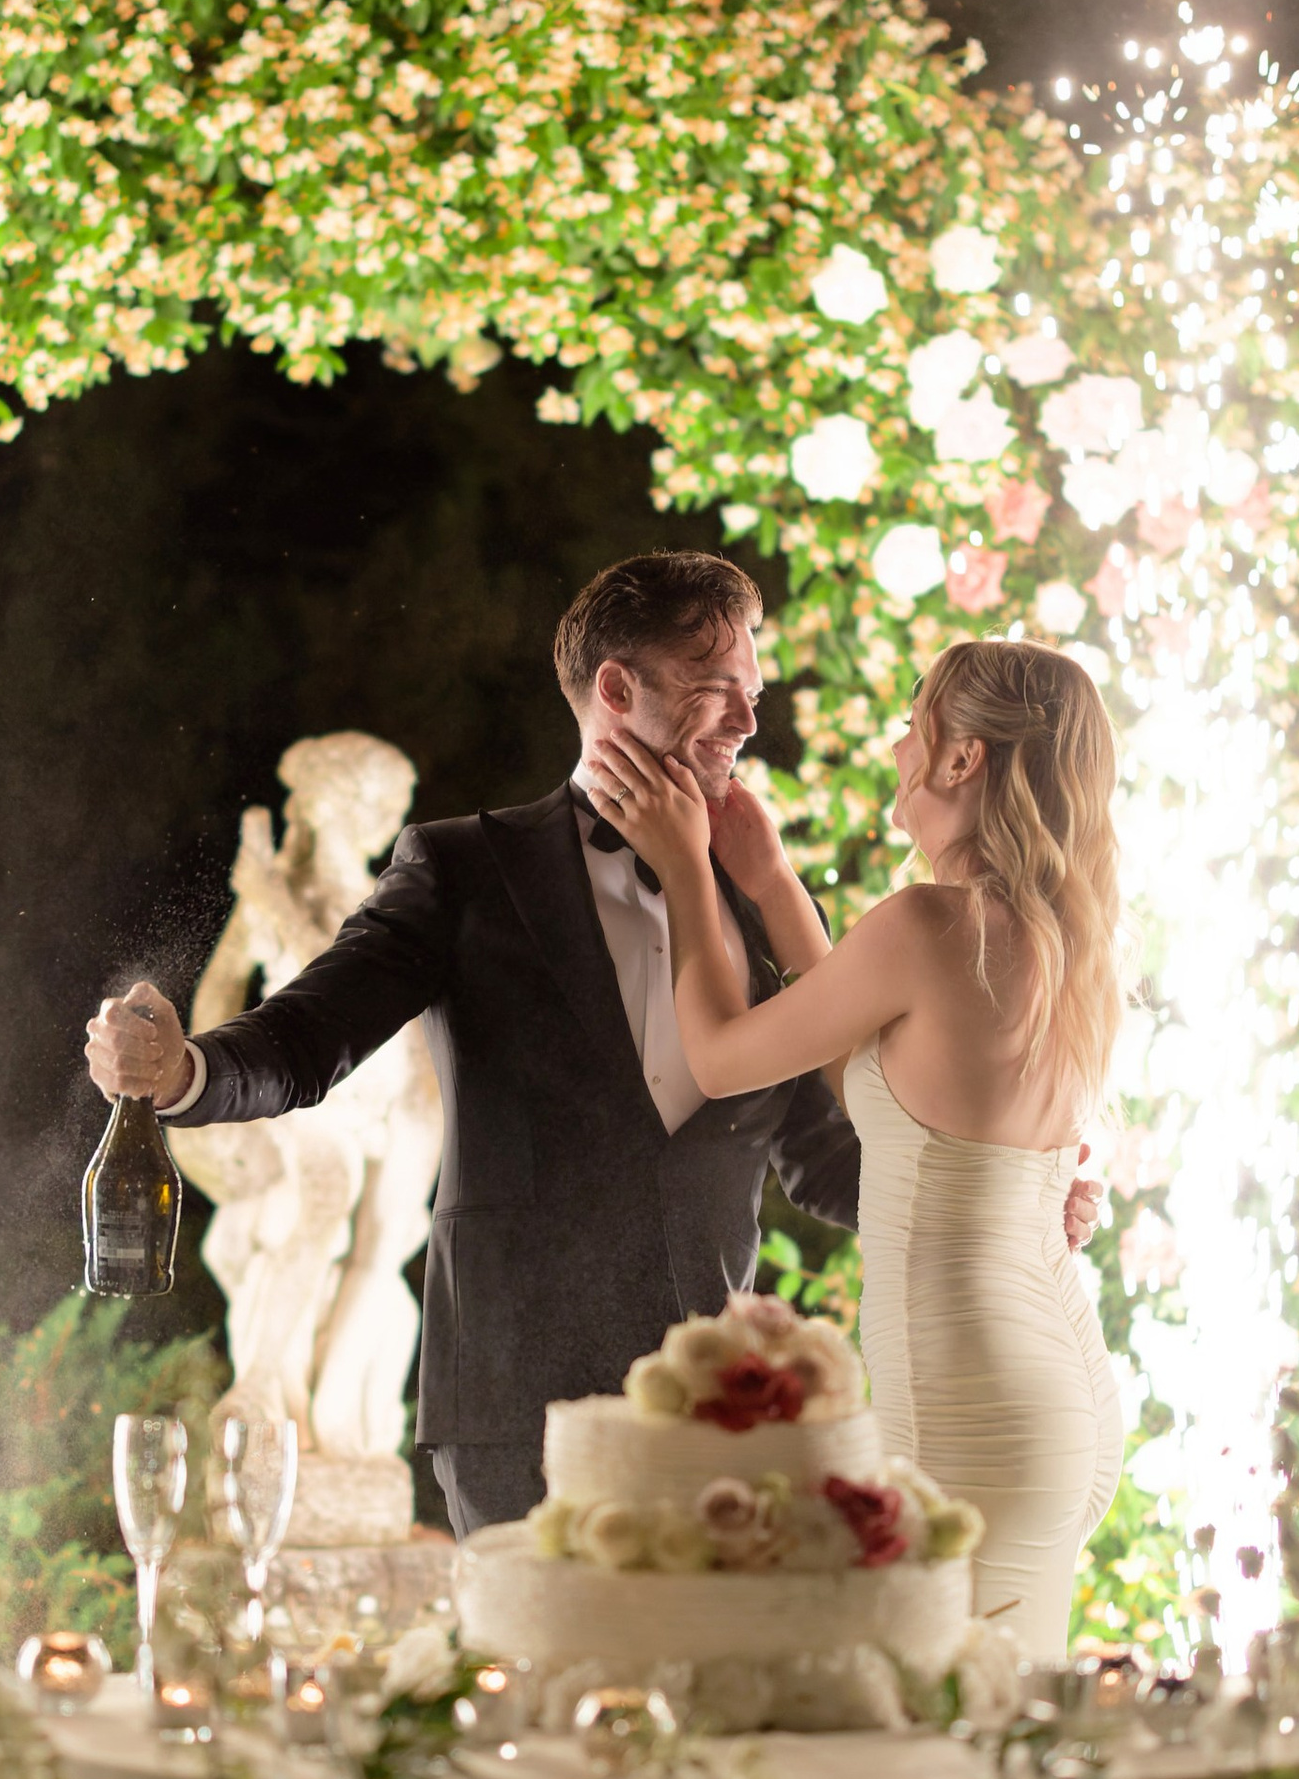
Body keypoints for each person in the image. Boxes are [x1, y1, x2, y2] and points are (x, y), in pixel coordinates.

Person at [84, 552, 865, 1538]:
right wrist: (185, 1070)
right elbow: (307, 1035)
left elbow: (825, 1158)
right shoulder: (464, 868)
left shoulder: (759, 890)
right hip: (514, 1414)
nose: (750, 722)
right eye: (719, 692)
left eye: (752, 694)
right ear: (617, 688)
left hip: (716, 1420)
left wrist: (999, 1188)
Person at [582, 633, 1123, 1660]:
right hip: (1060, 1390)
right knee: (993, 1725)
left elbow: (722, 1054)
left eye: (918, 716)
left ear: (963, 756)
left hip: (971, 1400)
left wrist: (686, 869)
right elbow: (880, 1086)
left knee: (931, 1732)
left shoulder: (928, 920)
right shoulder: (1057, 940)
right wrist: (773, 880)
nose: (898, 742)